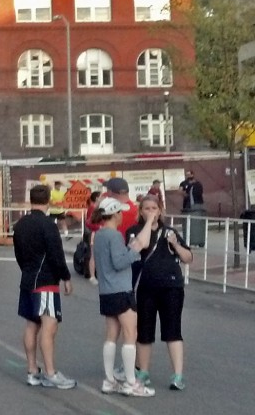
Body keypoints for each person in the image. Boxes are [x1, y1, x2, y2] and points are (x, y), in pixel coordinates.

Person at [12, 184, 76, 390]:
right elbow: (57, 255)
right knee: (50, 326)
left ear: (31, 200)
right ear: (48, 200)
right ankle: (50, 372)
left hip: (28, 279)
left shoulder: (20, 224)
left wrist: (27, 270)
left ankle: (32, 370)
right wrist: (65, 277)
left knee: (32, 325)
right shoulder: (48, 225)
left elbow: (18, 253)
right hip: (45, 282)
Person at [126, 195, 193, 392]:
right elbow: (137, 248)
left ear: (161, 210)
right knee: (144, 332)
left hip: (171, 287)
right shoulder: (134, 231)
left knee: (173, 331)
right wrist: (147, 224)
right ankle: (144, 371)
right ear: (141, 211)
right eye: (146, 208)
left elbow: (188, 258)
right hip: (145, 287)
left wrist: (176, 244)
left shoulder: (170, 232)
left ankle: (178, 375)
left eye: (154, 208)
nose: (151, 212)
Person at [92, 196, 156, 397]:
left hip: (106, 291)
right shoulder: (114, 236)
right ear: (114, 214)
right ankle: (130, 382)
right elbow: (120, 263)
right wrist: (134, 250)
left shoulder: (99, 235)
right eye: (119, 211)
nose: (122, 215)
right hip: (121, 290)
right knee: (130, 334)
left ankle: (109, 380)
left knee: (111, 335)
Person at [178, 169, 206, 247]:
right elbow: (180, 191)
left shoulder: (197, 184)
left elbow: (200, 193)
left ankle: (198, 239)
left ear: (193, 174)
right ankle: (190, 239)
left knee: (197, 222)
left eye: (189, 174)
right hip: (187, 205)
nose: (188, 176)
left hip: (196, 205)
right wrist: (184, 194)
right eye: (187, 174)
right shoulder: (184, 183)